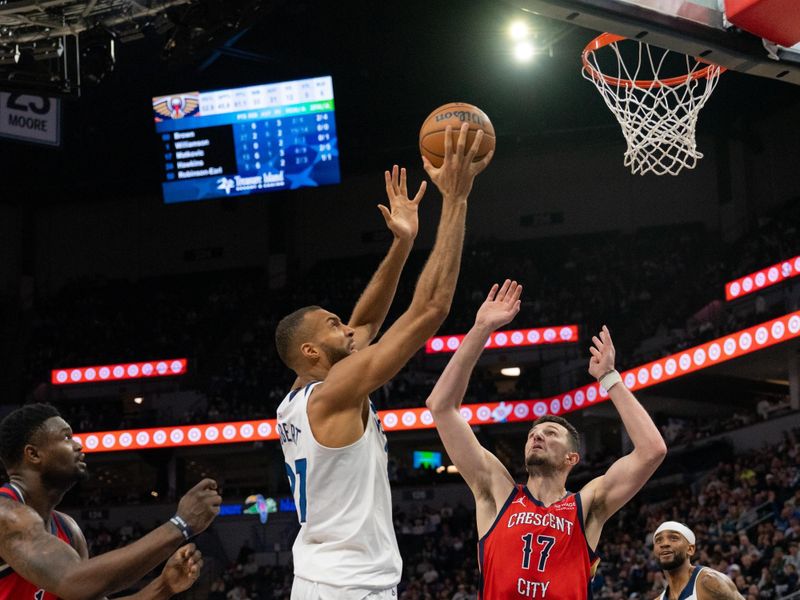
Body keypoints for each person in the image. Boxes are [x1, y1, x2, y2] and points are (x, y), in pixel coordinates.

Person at [275, 123, 493, 599]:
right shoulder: (334, 393)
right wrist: (455, 199)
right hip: (347, 587)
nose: (348, 329)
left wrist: (402, 243)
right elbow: (431, 308)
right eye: (334, 324)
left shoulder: (301, 398)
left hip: (323, 580)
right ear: (311, 351)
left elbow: (367, 323)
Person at [425, 280, 668, 599]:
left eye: (550, 433)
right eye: (532, 434)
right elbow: (440, 406)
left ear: (572, 458)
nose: (537, 435)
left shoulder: (586, 505)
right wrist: (481, 329)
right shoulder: (497, 492)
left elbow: (652, 450)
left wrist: (610, 379)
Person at [0, 403, 222, 600]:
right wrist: (181, 525)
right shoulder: (5, 513)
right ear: (33, 454)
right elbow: (71, 582)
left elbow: (82, 589)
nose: (78, 445)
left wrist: (162, 587)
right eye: (67, 437)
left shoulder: (68, 529)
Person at [653, 521, 745, 599]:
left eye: (674, 538)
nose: (664, 544)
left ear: (690, 549)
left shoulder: (710, 582)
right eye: (658, 540)